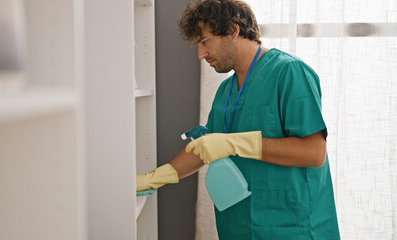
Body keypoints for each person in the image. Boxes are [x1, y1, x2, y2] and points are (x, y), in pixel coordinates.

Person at [137, 0, 340, 239]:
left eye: (205, 42)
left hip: (291, 228)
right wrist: (155, 178)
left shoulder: (290, 72)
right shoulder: (226, 90)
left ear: (233, 30)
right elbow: (205, 148)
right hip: (238, 228)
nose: (201, 54)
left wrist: (233, 143)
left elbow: (314, 153)